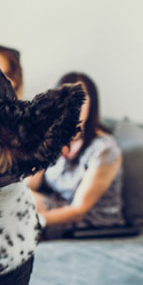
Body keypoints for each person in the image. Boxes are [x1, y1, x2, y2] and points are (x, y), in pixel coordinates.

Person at [28, 72, 123, 237]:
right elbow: (30, 186)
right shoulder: (57, 137)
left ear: (91, 104)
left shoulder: (105, 149)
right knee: (17, 199)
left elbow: (79, 210)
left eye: (81, 99)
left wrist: (32, 221)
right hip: (56, 206)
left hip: (91, 221)